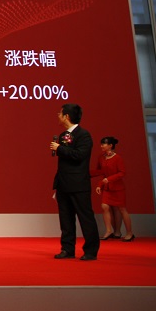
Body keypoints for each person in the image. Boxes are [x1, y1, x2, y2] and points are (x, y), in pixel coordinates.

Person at [49, 103, 99, 260]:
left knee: (85, 218)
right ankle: (67, 248)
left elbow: (79, 155)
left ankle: (90, 251)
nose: (58, 116)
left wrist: (59, 149)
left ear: (67, 116)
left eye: (60, 113)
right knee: (66, 219)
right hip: (63, 183)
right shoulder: (64, 135)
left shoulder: (84, 135)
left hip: (78, 184)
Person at [94, 136, 134, 242]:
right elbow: (100, 172)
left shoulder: (117, 158)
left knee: (121, 209)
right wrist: (99, 185)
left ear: (110, 145)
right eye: (101, 144)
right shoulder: (101, 157)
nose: (101, 146)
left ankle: (129, 232)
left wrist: (109, 179)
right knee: (104, 206)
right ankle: (109, 230)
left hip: (117, 187)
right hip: (107, 187)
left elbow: (122, 173)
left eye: (103, 144)